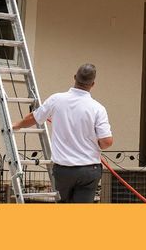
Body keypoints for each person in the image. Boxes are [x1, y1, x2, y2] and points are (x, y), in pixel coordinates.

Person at [12, 63, 113, 203]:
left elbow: (34, 118)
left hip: (63, 169)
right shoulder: (98, 108)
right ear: (93, 84)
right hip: (89, 169)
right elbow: (106, 142)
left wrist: (15, 125)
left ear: (75, 77)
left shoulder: (56, 99)